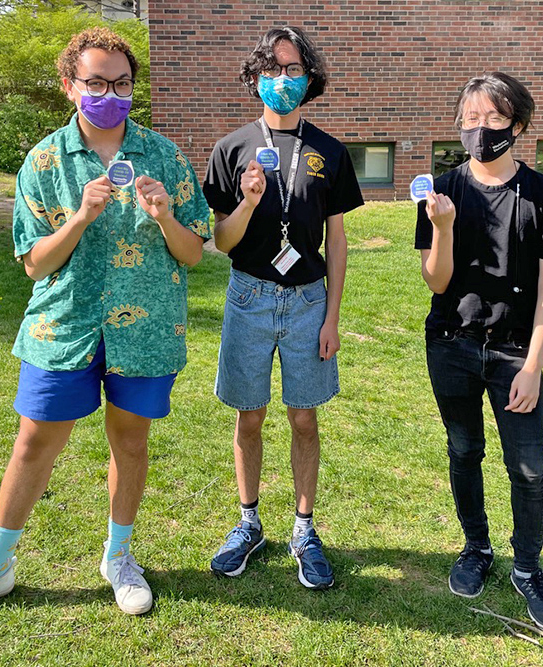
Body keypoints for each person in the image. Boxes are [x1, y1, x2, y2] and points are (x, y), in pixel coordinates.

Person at [0, 27, 211, 622]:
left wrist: (165, 215)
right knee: (34, 443)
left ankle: (118, 558)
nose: (111, 93)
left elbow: (194, 254)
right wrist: (78, 218)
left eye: (122, 83)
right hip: (64, 325)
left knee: (130, 441)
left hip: (146, 328)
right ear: (69, 85)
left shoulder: (165, 156)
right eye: (96, 82)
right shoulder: (43, 160)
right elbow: (34, 263)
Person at [202, 26, 363, 589]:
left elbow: (337, 242)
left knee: (303, 415)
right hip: (248, 295)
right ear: (254, 79)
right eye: (270, 70)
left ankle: (303, 529)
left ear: (309, 78)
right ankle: (248, 524)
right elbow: (220, 241)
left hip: (307, 302)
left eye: (292, 70)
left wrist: (332, 318)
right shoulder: (231, 149)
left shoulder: (330, 152)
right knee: (250, 415)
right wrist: (246, 203)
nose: (282, 80)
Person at [415, 72, 543, 630]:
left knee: (528, 469)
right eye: (471, 119)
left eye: (493, 119)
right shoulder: (441, 190)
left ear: (518, 126)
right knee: (464, 452)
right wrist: (443, 228)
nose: (480, 130)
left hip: (514, 354)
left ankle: (528, 568)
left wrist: (532, 366)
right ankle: (476, 548)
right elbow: (436, 283)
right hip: (452, 345)